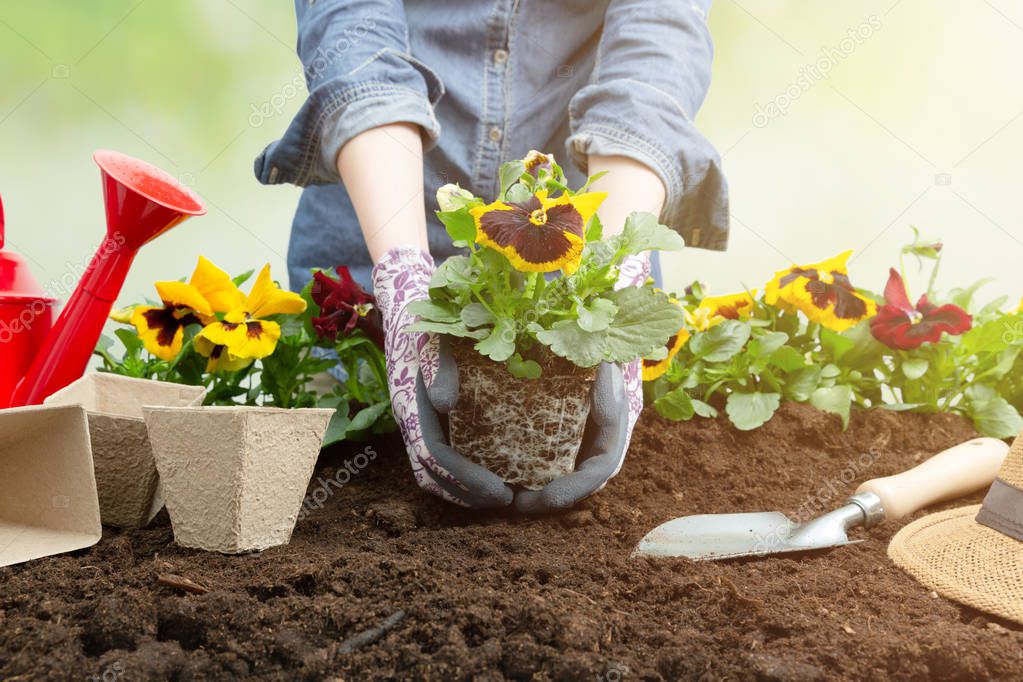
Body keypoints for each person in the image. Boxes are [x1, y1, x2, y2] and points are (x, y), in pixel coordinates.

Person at [255, 0, 729, 513]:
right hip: (376, 227)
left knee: (583, 489)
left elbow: (657, 33)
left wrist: (611, 275)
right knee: (338, 487)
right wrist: (403, 279)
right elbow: (353, 32)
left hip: (569, 244)